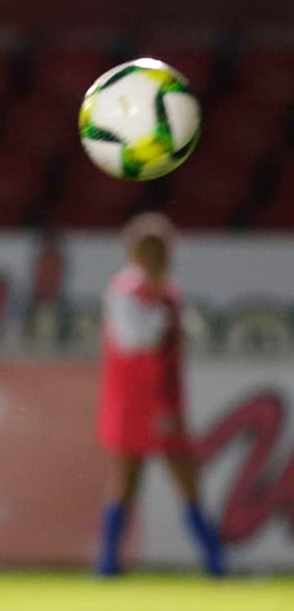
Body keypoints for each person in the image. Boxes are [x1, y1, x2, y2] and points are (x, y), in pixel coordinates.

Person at [94, 212, 226, 577]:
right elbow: (133, 339)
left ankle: (215, 562)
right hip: (134, 399)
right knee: (127, 480)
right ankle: (108, 563)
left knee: (184, 479)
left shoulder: (167, 293)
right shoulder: (126, 291)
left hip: (163, 399)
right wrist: (160, 312)